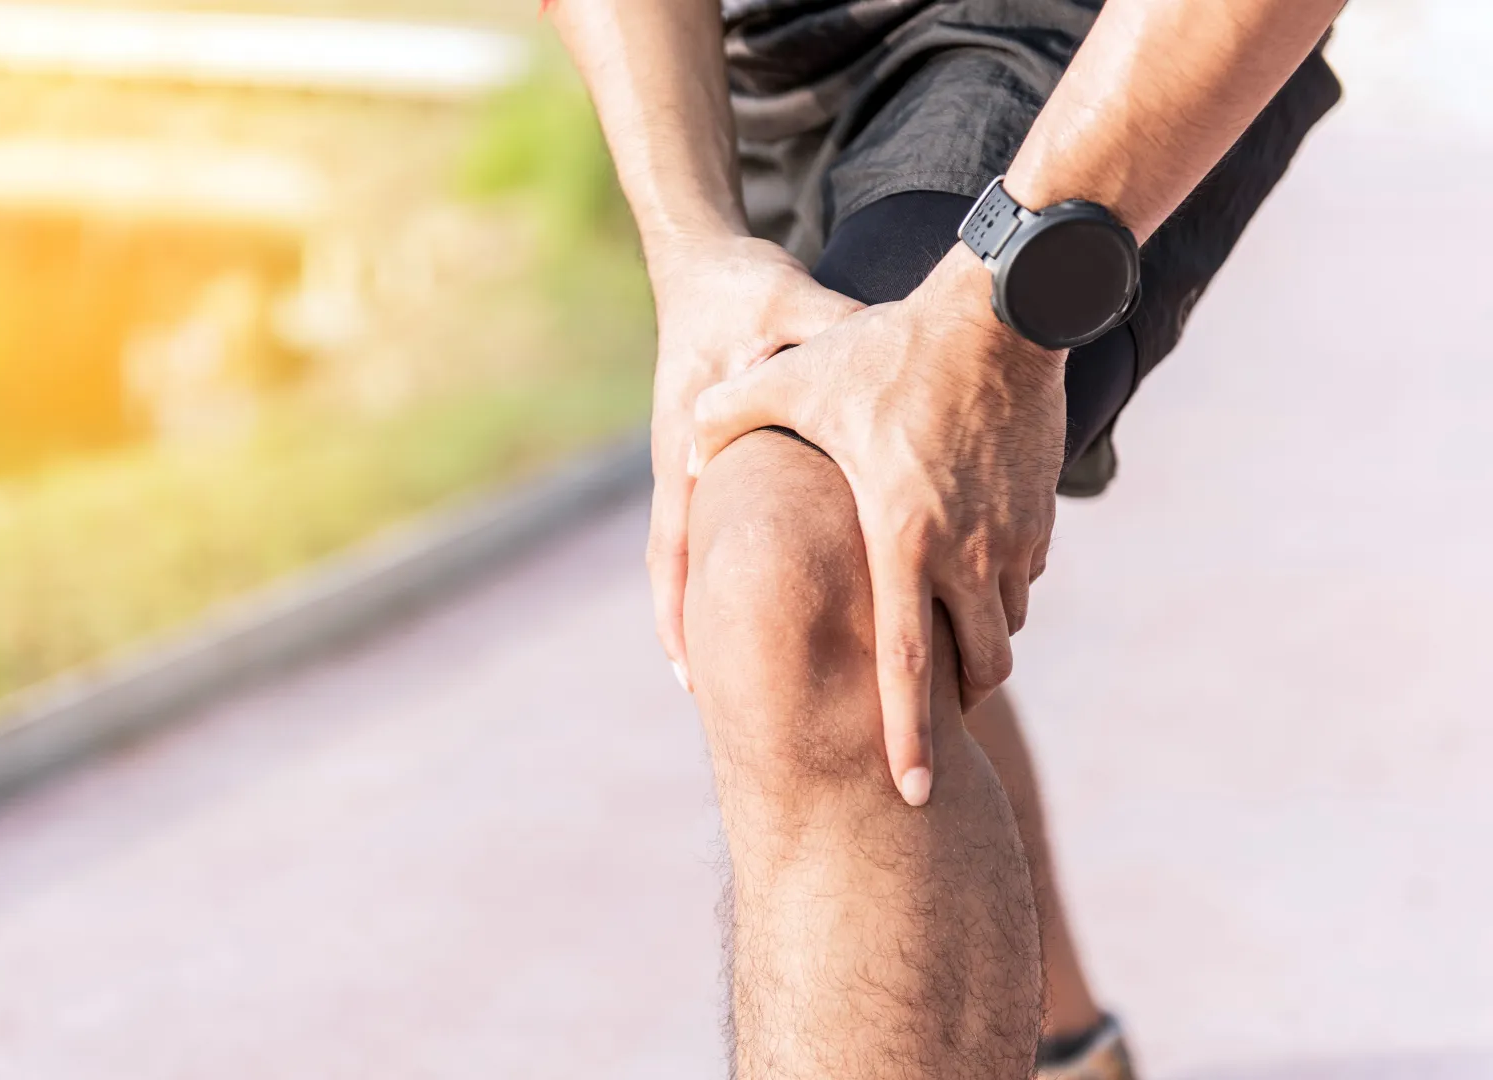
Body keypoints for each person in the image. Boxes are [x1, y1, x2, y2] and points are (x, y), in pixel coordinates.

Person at [548, 0, 1346, 1075]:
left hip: (1069, 31)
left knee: (810, 556)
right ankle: (1071, 1056)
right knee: (888, 582)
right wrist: (687, 244)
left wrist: (1003, 308)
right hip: (753, 55)